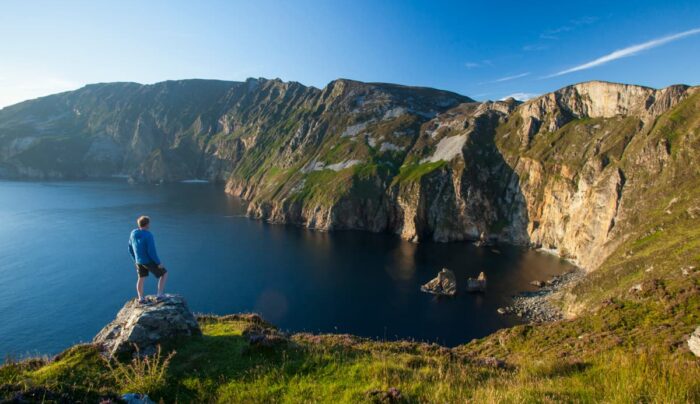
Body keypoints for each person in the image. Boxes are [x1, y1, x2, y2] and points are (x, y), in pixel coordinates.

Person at [128, 216, 168, 304]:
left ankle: (141, 298)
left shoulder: (133, 233)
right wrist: (158, 263)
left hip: (138, 261)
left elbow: (130, 248)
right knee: (164, 274)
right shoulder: (148, 235)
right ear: (147, 224)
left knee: (141, 278)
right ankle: (160, 295)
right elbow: (151, 251)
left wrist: (135, 260)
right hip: (148, 261)